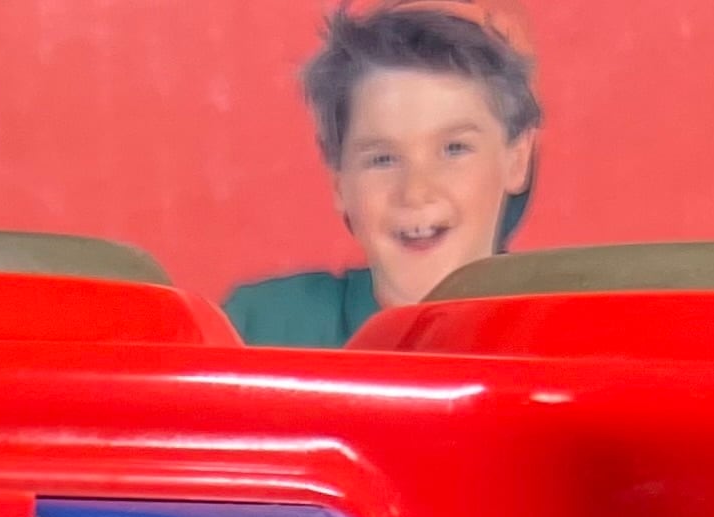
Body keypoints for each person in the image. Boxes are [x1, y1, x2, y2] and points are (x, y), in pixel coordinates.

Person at [226, 1, 543, 346]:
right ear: (339, 183)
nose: (416, 192)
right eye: (383, 159)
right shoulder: (260, 330)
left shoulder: (568, 331)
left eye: (454, 149)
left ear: (517, 160)